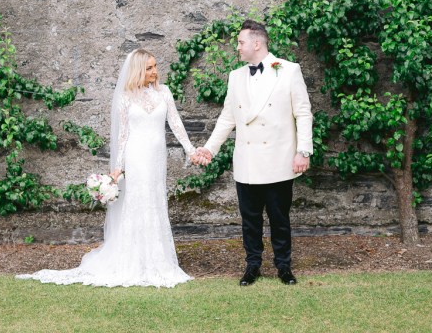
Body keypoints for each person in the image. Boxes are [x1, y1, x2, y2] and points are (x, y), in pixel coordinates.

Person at [16, 49, 196, 288]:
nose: (154, 72)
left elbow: (175, 123)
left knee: (154, 200)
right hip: (136, 156)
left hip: (156, 158)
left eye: (155, 67)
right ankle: (132, 260)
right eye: (149, 68)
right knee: (137, 202)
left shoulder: (164, 92)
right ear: (138, 70)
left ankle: (156, 259)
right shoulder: (125, 97)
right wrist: (118, 168)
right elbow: (122, 135)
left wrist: (191, 150)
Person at [194, 19, 313, 286]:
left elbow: (303, 113)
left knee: (280, 218)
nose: (238, 47)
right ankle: (252, 266)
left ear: (256, 43)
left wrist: (303, 151)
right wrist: (210, 149)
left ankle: (284, 266)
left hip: (279, 159)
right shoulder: (235, 76)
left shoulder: (289, 71)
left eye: (241, 42)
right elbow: (227, 118)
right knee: (250, 220)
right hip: (247, 161)